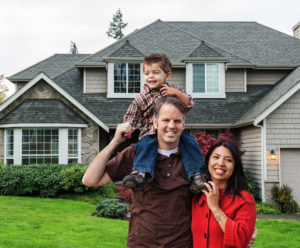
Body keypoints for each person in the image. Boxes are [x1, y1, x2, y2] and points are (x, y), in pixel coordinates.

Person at [82, 96, 194, 247]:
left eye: (177, 121)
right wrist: (115, 142)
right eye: (166, 120)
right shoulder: (137, 154)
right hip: (141, 243)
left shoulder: (193, 159)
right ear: (155, 122)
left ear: (183, 124)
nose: (171, 126)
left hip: (181, 244)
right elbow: (89, 180)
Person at [122, 53, 206, 193]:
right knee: (144, 146)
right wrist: (128, 127)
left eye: (156, 73)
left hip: (173, 132)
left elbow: (190, 103)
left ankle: (197, 176)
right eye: (147, 73)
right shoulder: (142, 97)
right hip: (150, 134)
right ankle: (140, 174)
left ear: (167, 76)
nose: (151, 77)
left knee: (191, 142)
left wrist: (177, 94)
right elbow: (132, 114)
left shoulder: (173, 91)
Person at [192, 139, 257, 248]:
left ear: (235, 166)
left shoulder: (244, 200)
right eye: (216, 157)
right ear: (208, 161)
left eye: (228, 160)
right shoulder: (196, 195)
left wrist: (215, 208)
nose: (221, 163)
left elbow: (240, 241)